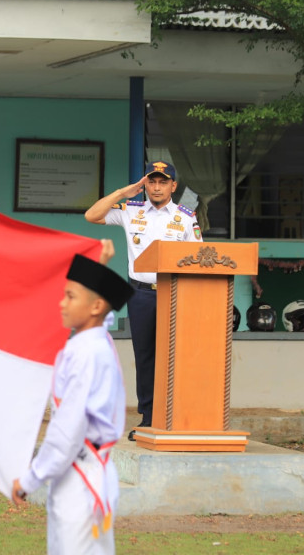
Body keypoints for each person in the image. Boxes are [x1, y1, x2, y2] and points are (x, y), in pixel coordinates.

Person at [12, 239, 132, 555]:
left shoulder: (86, 354)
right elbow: (103, 311)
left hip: (80, 479)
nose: (62, 304)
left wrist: (30, 480)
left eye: (70, 296)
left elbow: (67, 431)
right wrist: (99, 268)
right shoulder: (95, 340)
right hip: (86, 474)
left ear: (95, 307)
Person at [84, 161, 201, 440]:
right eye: (152, 182)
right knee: (145, 357)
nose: (157, 187)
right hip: (140, 294)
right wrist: (123, 192)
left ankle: (176, 418)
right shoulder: (131, 210)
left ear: (173, 186)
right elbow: (92, 215)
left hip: (175, 293)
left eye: (163, 182)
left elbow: (199, 257)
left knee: (175, 357)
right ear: (145, 184)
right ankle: (148, 419)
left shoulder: (186, 217)